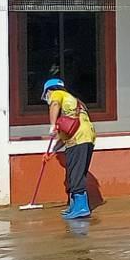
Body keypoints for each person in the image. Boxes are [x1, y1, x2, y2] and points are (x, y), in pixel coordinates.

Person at [44, 78, 98, 220]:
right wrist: (51, 152)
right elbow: (65, 135)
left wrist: (52, 125)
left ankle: (81, 207)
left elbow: (54, 104)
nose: (48, 99)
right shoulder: (74, 103)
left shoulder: (57, 94)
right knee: (76, 172)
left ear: (49, 90)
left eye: (46, 95)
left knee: (75, 173)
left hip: (78, 139)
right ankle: (75, 206)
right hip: (86, 137)